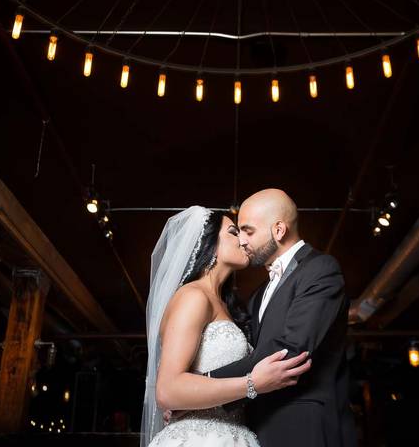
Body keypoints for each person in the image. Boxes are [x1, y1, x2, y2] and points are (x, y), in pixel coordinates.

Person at [142, 206, 311, 447]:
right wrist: (252, 383)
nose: (243, 240)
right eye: (234, 232)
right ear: (209, 245)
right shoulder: (193, 297)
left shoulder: (227, 305)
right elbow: (167, 390)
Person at [206, 189, 357, 447]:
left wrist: (203, 387)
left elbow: (290, 350)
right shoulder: (258, 294)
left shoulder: (321, 269)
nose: (241, 240)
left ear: (279, 230)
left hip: (304, 425)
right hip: (258, 425)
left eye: (248, 231)